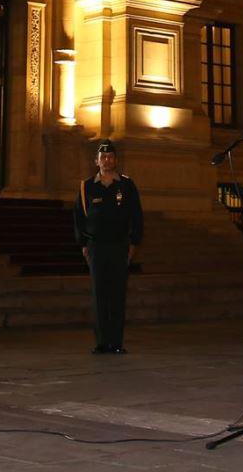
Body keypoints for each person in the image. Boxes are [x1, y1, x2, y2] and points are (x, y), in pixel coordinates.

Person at [73, 139, 143, 354]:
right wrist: (83, 245)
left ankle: (116, 342)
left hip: (119, 246)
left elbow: (137, 216)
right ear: (96, 161)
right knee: (99, 294)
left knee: (117, 294)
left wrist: (134, 243)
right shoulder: (87, 186)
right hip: (96, 247)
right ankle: (102, 342)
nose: (107, 160)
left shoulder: (126, 185)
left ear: (116, 160)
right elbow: (78, 218)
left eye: (110, 157)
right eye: (103, 157)